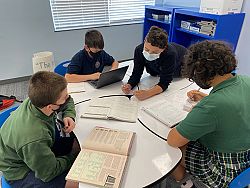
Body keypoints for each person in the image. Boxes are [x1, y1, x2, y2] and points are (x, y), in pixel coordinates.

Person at [167, 40, 250, 188]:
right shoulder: (245, 80)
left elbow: (173, 140)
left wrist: (197, 112)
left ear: (201, 73)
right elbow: (236, 106)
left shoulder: (211, 106)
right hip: (245, 157)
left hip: (224, 169)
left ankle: (185, 183)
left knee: (172, 147)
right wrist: (207, 98)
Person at [0, 71, 80, 188]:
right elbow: (48, 173)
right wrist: (73, 156)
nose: (67, 98)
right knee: (75, 182)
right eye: (63, 98)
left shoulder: (38, 100)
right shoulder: (35, 137)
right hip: (19, 172)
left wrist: (69, 115)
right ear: (50, 106)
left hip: (30, 150)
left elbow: (68, 100)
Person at [122, 26, 187, 100]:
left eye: (155, 52)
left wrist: (147, 93)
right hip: (157, 70)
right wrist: (129, 85)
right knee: (153, 73)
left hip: (180, 67)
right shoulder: (139, 49)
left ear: (164, 48)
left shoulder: (170, 54)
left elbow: (165, 82)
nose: (149, 53)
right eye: (146, 49)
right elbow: (136, 72)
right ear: (144, 40)